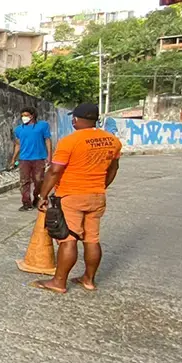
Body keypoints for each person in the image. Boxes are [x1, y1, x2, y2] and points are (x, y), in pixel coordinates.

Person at [32, 103, 121, 294]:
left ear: (76, 120)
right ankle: (88, 280)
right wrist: (100, 187)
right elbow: (113, 169)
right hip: (97, 196)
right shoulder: (112, 141)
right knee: (92, 239)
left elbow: (55, 171)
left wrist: (43, 195)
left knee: (68, 239)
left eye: (73, 118)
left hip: (72, 196)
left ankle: (59, 282)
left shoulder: (69, 141)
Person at [10, 106, 52, 211]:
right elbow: (18, 145)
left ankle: (37, 199)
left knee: (38, 181)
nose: (24, 117)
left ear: (32, 116)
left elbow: (47, 140)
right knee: (24, 181)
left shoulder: (42, 126)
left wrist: (49, 155)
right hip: (24, 159)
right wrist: (13, 159)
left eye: (26, 115)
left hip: (39, 158)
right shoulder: (19, 130)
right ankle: (26, 203)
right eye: (22, 116)